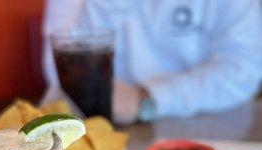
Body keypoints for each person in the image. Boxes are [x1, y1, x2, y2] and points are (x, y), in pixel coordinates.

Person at [42, 0, 262, 123]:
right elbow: (58, 70)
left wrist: (146, 99)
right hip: (94, 125)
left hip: (200, 124)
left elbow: (243, 69)